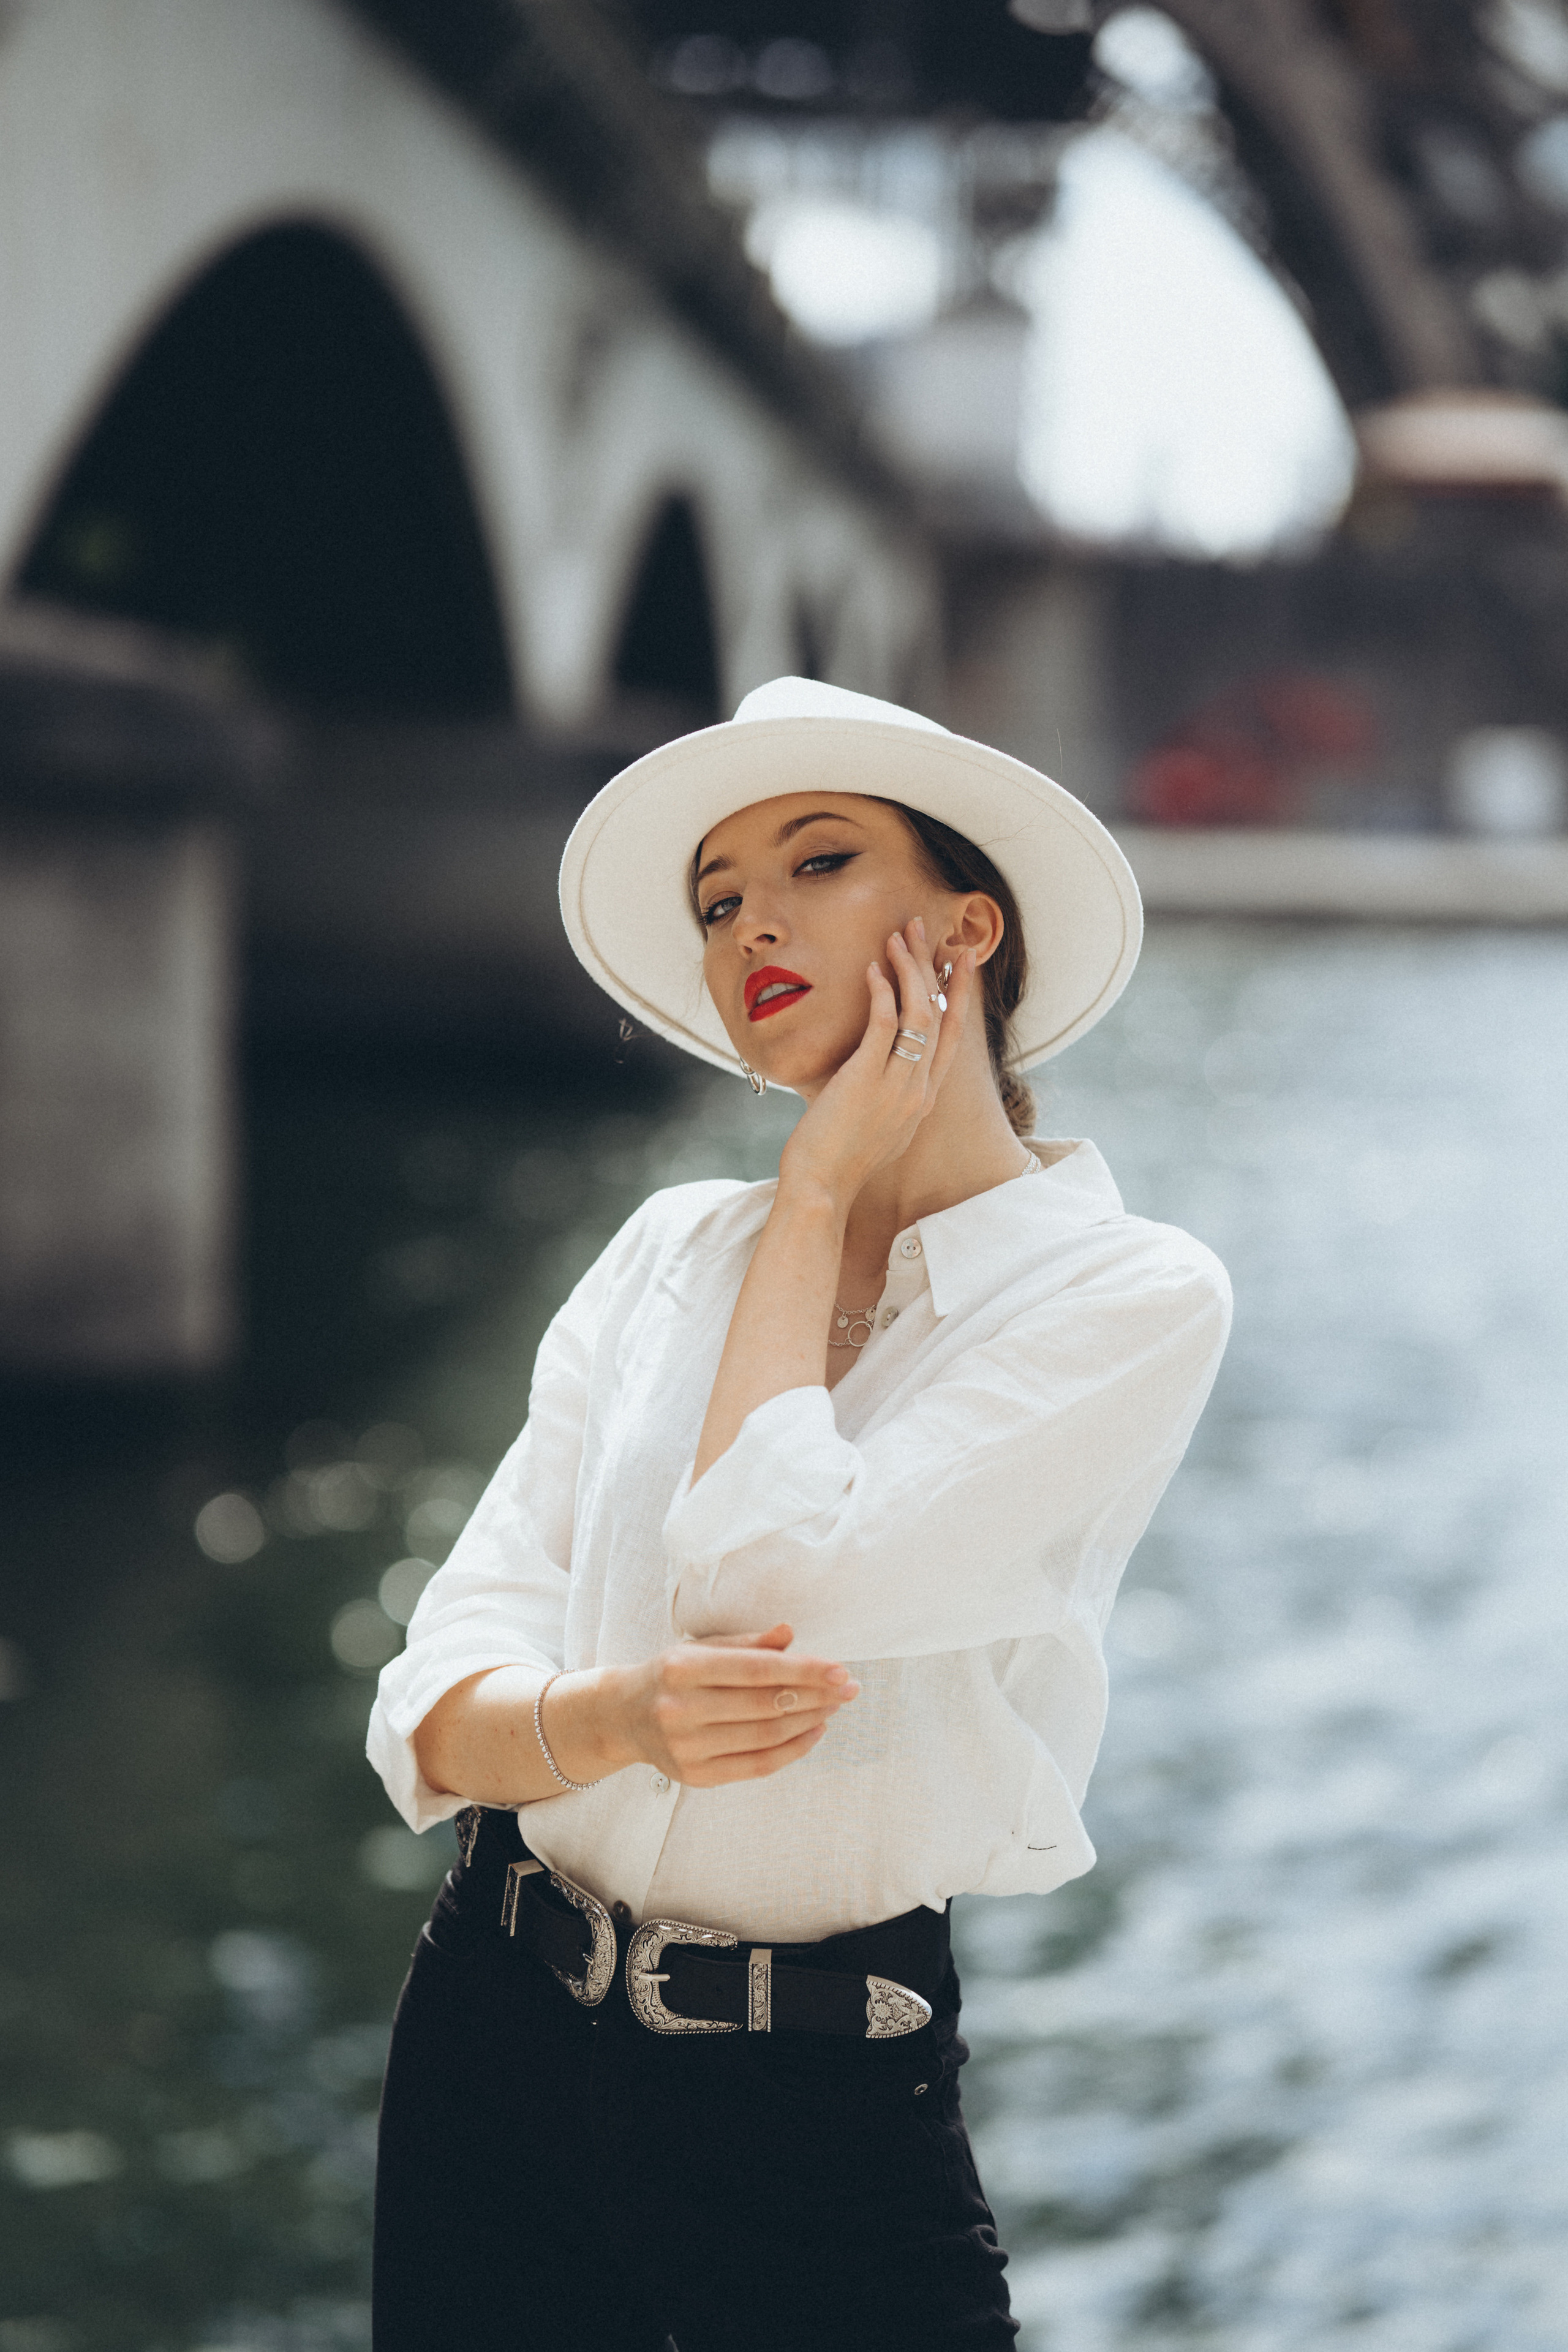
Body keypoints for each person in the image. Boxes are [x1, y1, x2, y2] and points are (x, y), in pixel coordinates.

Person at [366, 676, 1231, 2351]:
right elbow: (433, 1698)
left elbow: (767, 1577)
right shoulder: (665, 1251)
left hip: (816, 2099)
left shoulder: (1128, 1297)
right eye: (716, 903)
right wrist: (611, 1719)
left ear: (966, 927)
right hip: (491, 2027)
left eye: (817, 863)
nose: (750, 923)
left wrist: (822, 1186)